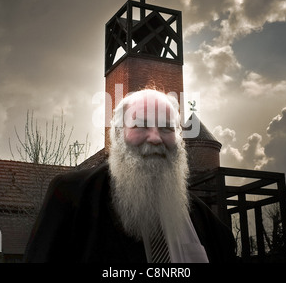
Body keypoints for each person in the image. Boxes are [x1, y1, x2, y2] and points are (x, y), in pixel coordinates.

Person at [24, 89, 237, 263]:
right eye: (141, 125)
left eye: (166, 127)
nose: (155, 137)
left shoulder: (208, 224)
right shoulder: (72, 196)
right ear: (118, 134)